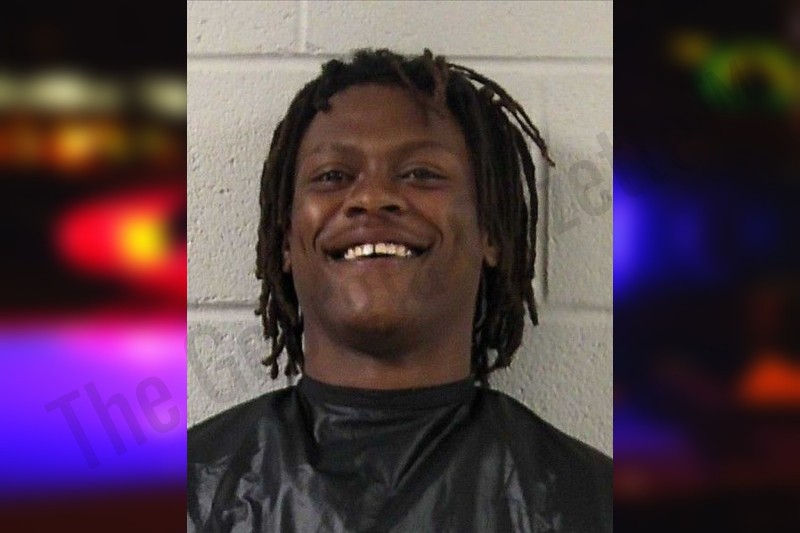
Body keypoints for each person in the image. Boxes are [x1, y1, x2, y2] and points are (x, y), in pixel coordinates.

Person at [188, 48, 612, 532]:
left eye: (420, 174)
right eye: (333, 176)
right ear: (286, 240)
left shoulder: (591, 504)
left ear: (490, 231)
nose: (371, 198)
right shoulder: (190, 493)